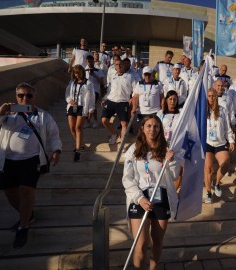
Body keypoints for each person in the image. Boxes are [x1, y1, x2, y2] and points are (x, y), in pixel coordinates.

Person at [0, 82, 62, 248]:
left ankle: (23, 226)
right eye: (21, 95)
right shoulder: (7, 114)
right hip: (8, 160)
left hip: (31, 159)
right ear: (16, 97)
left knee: (26, 191)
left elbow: (54, 134)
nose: (24, 98)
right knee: (10, 193)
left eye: (28, 95)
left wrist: (56, 150)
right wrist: (0, 113)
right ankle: (27, 213)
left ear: (35, 97)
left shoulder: (43, 116)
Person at [122, 115, 179, 270]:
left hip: (160, 197)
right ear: (142, 128)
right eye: (149, 126)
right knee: (140, 244)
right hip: (139, 198)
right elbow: (127, 179)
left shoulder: (166, 148)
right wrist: (139, 198)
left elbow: (174, 175)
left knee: (157, 241)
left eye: (156, 126)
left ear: (160, 129)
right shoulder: (133, 150)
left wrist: (172, 161)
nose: (152, 129)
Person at [204, 88, 235, 204]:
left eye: (214, 96)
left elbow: (227, 127)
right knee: (208, 169)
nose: (211, 98)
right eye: (209, 96)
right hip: (207, 142)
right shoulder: (203, 111)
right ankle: (208, 192)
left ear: (217, 97)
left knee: (226, 163)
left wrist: (231, 140)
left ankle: (216, 183)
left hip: (220, 142)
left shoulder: (222, 110)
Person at [101, 59, 135, 144]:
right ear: (115, 67)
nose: (119, 66)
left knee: (124, 123)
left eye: (120, 64)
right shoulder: (113, 77)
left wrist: (132, 98)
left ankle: (122, 143)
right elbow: (109, 91)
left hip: (123, 102)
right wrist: (105, 99)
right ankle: (114, 134)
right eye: (117, 64)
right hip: (111, 101)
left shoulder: (130, 76)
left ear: (123, 65)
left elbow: (135, 89)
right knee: (104, 120)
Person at [65, 65, 95, 161]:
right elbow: (67, 93)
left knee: (78, 128)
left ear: (82, 72)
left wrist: (90, 110)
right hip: (72, 107)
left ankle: (78, 150)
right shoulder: (72, 82)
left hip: (82, 107)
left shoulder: (88, 83)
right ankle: (81, 145)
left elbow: (91, 97)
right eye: (75, 73)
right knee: (72, 129)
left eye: (78, 72)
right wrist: (70, 100)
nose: (77, 74)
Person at [85, 55, 105, 129]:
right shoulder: (84, 70)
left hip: (95, 90)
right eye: (88, 61)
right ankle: (87, 122)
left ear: (93, 61)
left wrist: (94, 75)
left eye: (91, 61)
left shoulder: (98, 70)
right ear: (86, 62)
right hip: (85, 90)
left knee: (93, 106)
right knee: (86, 106)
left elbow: (102, 82)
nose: (90, 62)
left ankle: (95, 121)